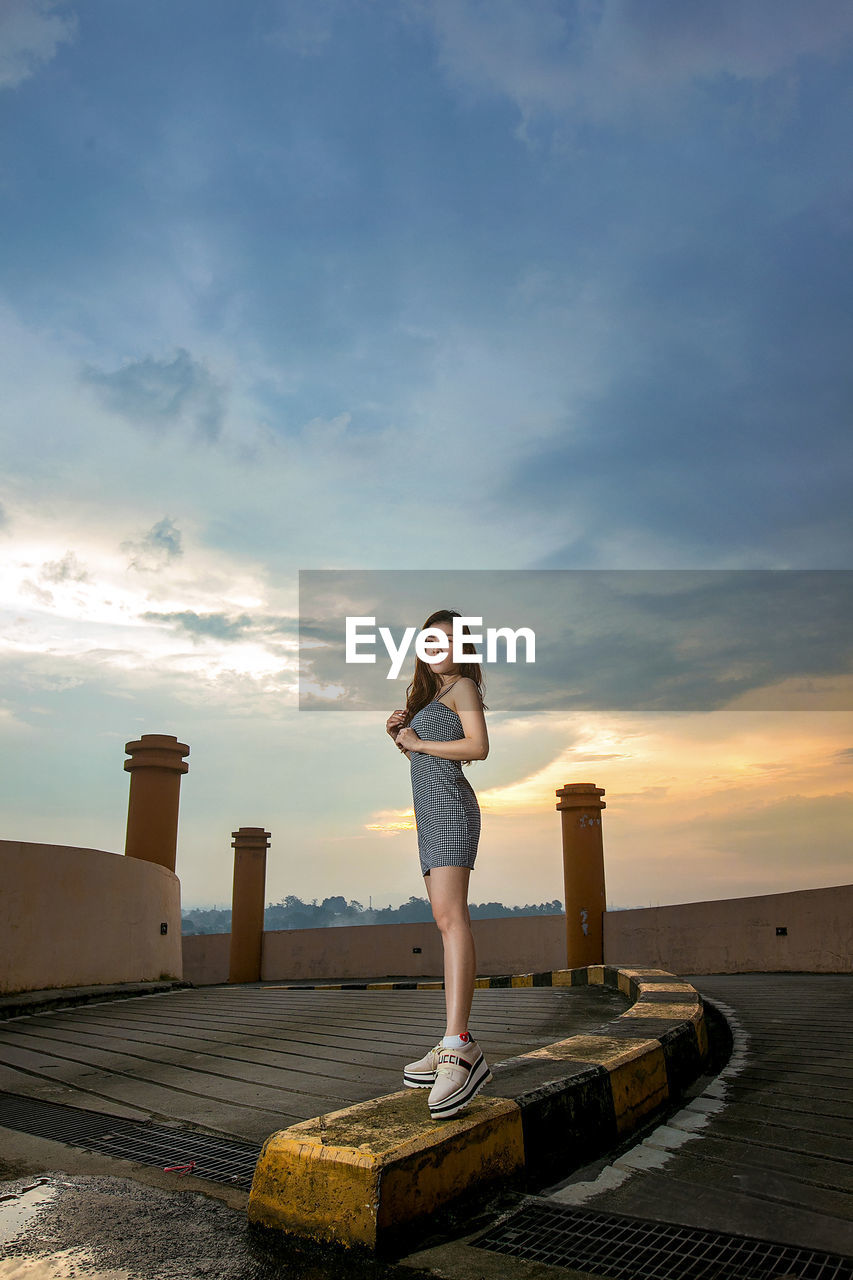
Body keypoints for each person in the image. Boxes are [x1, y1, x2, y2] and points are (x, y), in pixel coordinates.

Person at [385, 608, 490, 1119]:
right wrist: (403, 740)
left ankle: (460, 1046)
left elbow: (478, 747)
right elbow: (426, 758)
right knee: (443, 920)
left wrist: (419, 739)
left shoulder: (463, 688)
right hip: (429, 812)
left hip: (450, 808)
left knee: (452, 921)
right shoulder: (432, 697)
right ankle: (453, 1039)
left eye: (450, 640)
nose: (440, 647)